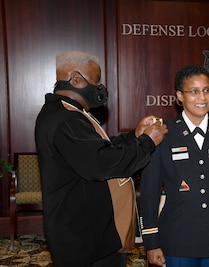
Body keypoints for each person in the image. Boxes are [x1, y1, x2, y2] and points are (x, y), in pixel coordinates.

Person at [35, 51, 168, 267]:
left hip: (92, 233)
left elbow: (99, 148)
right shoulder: (64, 119)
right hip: (84, 239)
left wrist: (134, 136)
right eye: (96, 80)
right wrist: (146, 143)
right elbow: (101, 164)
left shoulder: (70, 113)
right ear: (76, 78)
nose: (100, 87)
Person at [139, 65, 209, 267]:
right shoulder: (162, 134)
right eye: (194, 91)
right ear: (179, 96)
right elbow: (150, 192)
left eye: (207, 90)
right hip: (177, 240)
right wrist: (151, 242)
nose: (202, 97)